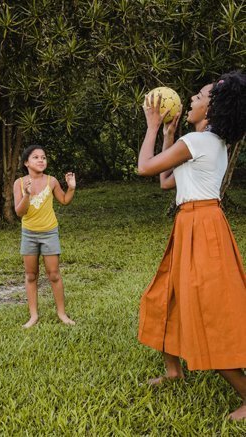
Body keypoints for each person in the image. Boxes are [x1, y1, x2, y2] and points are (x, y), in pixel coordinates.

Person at [137, 71, 246, 420]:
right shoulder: (205, 143)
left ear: (212, 109)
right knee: (165, 295)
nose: (193, 100)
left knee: (209, 313)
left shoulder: (198, 143)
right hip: (193, 224)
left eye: (200, 96)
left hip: (201, 226)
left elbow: (144, 168)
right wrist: (169, 135)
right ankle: (173, 370)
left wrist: (153, 126)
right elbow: (165, 182)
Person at [13, 145, 76, 328]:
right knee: (31, 275)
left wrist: (71, 188)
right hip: (29, 235)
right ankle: (33, 316)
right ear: (26, 162)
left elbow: (64, 200)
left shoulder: (52, 181)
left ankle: (62, 314)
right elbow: (19, 212)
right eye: (36, 157)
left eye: (43, 157)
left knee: (54, 274)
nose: (41, 160)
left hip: (50, 233)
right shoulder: (20, 183)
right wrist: (26, 195)